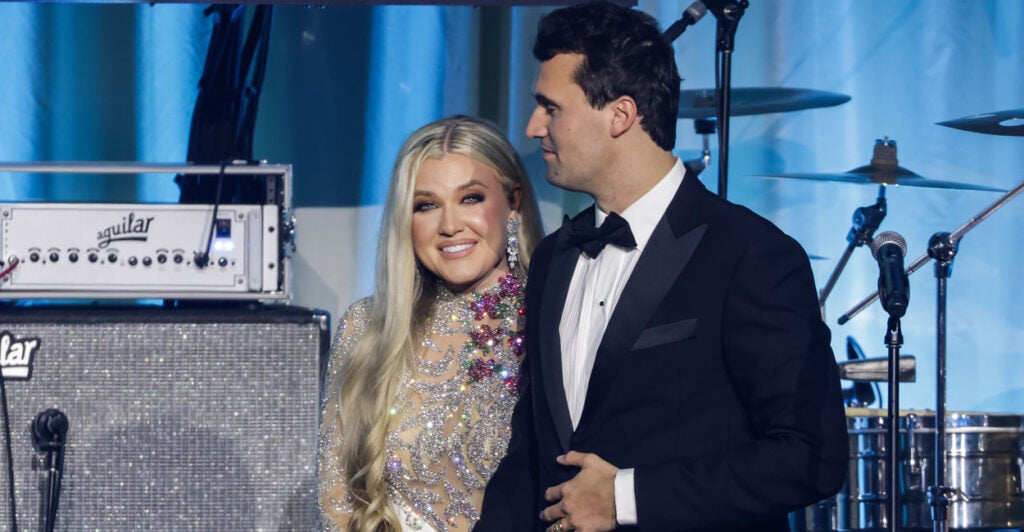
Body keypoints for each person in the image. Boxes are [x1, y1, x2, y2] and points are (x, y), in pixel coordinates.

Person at [476, 2, 848, 531]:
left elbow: (810, 457)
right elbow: (528, 457)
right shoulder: (555, 257)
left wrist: (625, 497)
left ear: (621, 115)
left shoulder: (751, 254)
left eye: (550, 107)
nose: (533, 126)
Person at [319, 115, 544, 532]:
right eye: (426, 205)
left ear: (513, 202)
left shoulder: (552, 320)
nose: (449, 225)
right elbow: (339, 502)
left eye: (471, 198)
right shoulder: (368, 327)